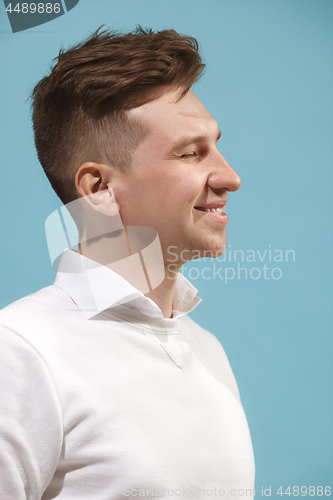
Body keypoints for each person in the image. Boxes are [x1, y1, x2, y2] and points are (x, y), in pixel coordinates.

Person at [0, 27, 255, 499]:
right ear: (98, 189)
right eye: (190, 153)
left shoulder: (205, 349)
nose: (230, 177)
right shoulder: (18, 353)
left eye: (216, 146)